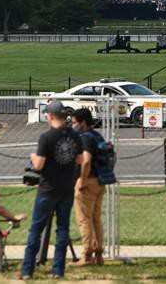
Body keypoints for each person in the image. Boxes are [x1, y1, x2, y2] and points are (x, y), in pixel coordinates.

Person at [17, 100, 83, 280]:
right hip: (66, 188)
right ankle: (58, 270)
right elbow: (80, 160)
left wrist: (33, 156)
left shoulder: (47, 137)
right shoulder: (74, 135)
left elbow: (38, 165)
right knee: (62, 229)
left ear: (51, 116)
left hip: (48, 189)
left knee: (36, 229)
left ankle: (27, 269)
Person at [71, 108, 106, 266]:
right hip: (100, 182)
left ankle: (86, 255)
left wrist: (82, 181)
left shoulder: (85, 138)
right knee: (96, 219)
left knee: (84, 220)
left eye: (74, 123)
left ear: (82, 122)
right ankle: (99, 255)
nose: (73, 126)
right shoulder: (97, 135)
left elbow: (86, 160)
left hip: (88, 181)